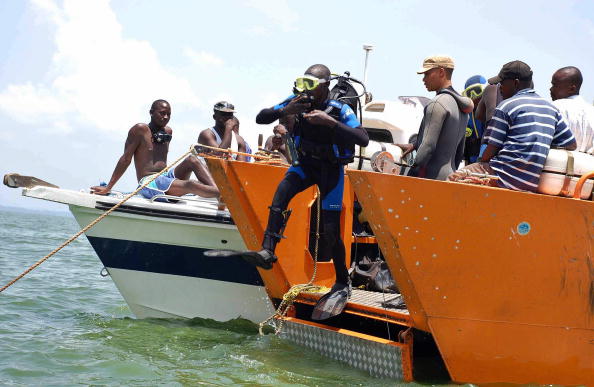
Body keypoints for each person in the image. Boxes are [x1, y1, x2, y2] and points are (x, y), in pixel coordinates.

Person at [210, 64, 369, 320]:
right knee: (280, 196)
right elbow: (262, 117)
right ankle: (268, 252)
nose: (305, 90)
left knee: (330, 232)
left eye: (311, 84)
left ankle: (341, 281)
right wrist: (287, 110)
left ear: (325, 85)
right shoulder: (297, 101)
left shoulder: (339, 109)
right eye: (302, 83)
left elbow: (362, 138)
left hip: (330, 172)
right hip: (305, 166)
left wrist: (329, 122)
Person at [449, 61, 577, 191]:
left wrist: (481, 161)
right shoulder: (551, 109)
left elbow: (490, 152)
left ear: (515, 83)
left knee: (453, 178)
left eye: (502, 83)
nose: (499, 87)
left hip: (501, 175)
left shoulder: (507, 106)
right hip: (531, 182)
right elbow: (571, 144)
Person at [90, 99, 219, 199]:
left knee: (192, 160)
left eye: (169, 114)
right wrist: (109, 187)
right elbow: (125, 159)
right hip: (149, 182)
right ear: (151, 112)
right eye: (162, 113)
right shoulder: (140, 130)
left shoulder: (168, 131)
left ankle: (218, 193)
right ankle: (225, 195)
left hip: (166, 177)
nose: (166, 117)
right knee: (191, 184)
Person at [398, 56, 473, 180]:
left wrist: (412, 173)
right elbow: (459, 152)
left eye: (427, 74)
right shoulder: (462, 108)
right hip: (449, 178)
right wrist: (415, 145)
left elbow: (428, 147)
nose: (423, 79)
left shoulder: (437, 103)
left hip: (430, 179)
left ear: (441, 72)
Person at [550, 66, 594, 154]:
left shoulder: (556, 107)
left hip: (556, 166)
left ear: (572, 89)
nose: (551, 89)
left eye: (555, 85)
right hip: (588, 166)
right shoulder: (591, 111)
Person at [461, 75, 488, 164]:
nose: (474, 96)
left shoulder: (491, 111)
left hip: (486, 161)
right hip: (471, 162)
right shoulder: (466, 114)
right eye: (469, 93)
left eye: (477, 91)